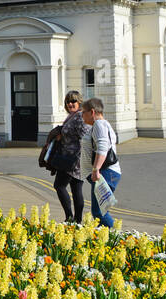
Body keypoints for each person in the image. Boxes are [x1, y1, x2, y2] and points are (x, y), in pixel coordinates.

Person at [81, 96, 121, 228]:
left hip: (105, 172)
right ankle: (107, 239)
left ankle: (116, 236)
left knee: (99, 211)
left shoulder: (99, 124)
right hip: (106, 172)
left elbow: (103, 147)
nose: (82, 115)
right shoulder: (102, 125)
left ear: (92, 112)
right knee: (99, 210)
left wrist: (96, 169)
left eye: (83, 112)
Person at [52, 90, 87, 223]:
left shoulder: (79, 117)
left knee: (59, 186)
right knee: (75, 188)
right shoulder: (72, 116)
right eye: (68, 102)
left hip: (72, 159)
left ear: (79, 102)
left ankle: (70, 217)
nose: (70, 104)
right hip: (73, 159)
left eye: (73, 101)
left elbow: (84, 137)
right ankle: (77, 221)